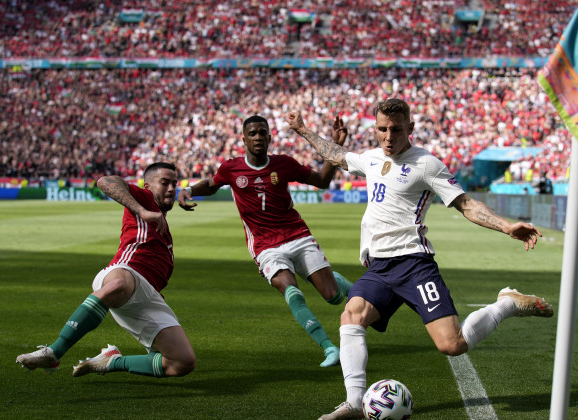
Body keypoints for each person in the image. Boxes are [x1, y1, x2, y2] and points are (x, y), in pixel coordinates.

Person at [287, 98, 554, 420]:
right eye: (382, 129)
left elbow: (466, 204)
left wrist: (507, 226)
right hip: (380, 266)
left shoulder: (427, 164)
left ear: (410, 128)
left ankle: (507, 303)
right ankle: (354, 404)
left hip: (414, 264)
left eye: (396, 130)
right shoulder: (371, 158)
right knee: (351, 317)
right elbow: (335, 154)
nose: (388, 137)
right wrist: (303, 130)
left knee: (452, 345)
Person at [178, 115, 353, 367]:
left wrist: (336, 147)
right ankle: (329, 348)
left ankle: (340, 284)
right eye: (252, 133)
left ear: (270, 137)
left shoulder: (284, 164)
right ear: (244, 139)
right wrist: (189, 190)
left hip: (297, 235)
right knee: (291, 290)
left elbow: (322, 181)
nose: (258, 137)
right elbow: (212, 184)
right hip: (265, 245)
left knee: (332, 296)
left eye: (262, 132)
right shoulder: (231, 168)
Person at [16, 162, 196, 378]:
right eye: (164, 182)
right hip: (125, 273)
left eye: (174, 184)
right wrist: (142, 210)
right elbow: (105, 181)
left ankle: (110, 361)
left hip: (149, 297)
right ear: (147, 186)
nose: (170, 188)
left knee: (182, 362)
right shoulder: (143, 200)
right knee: (119, 284)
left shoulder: (164, 234)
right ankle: (54, 352)